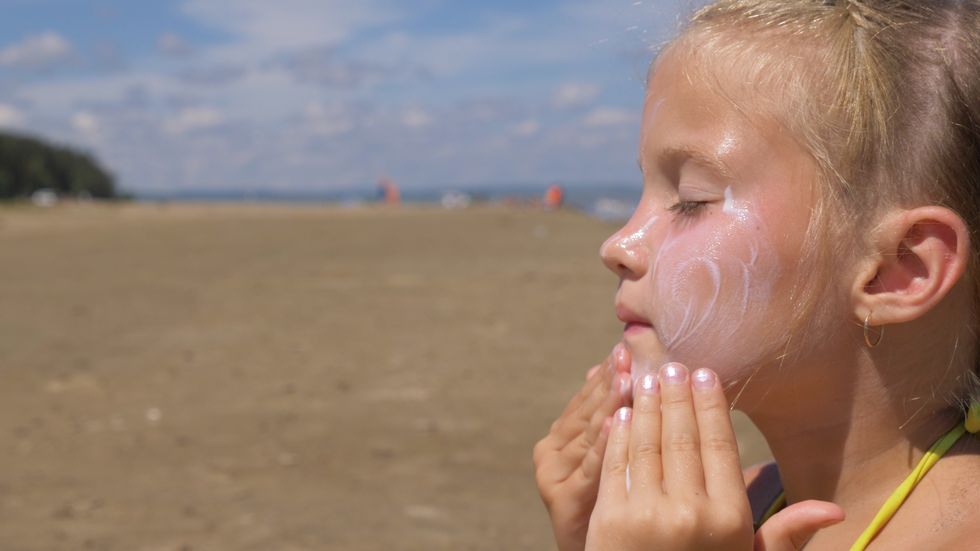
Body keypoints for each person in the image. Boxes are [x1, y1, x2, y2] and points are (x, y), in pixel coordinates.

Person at [533, 1, 980, 549]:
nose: (617, 245)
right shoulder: (733, 511)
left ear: (898, 268)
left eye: (692, 199)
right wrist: (587, 538)